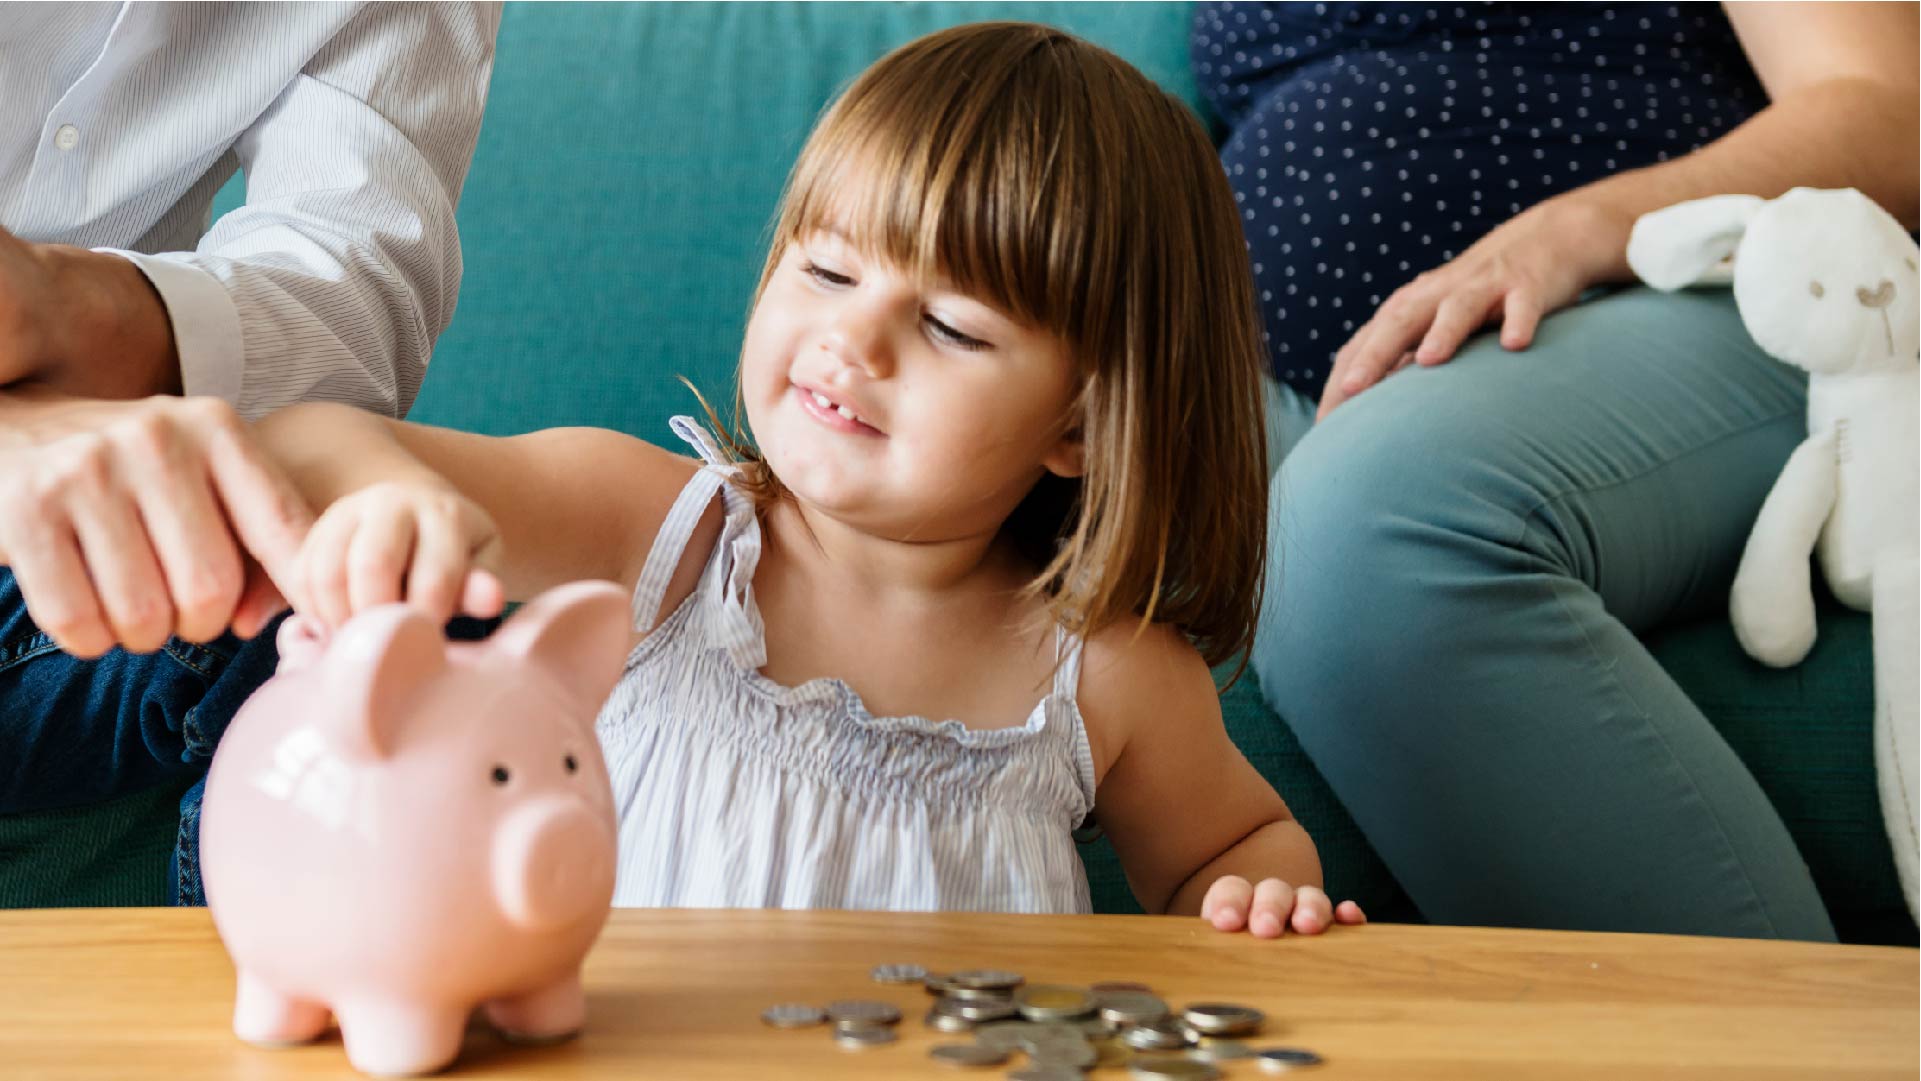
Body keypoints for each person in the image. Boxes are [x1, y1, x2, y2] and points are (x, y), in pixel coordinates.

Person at [249, 22, 1367, 933]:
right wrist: (392, 502)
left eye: (949, 327)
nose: (853, 339)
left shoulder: (1106, 672)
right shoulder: (658, 534)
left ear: (1080, 426)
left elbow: (1232, 848)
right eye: (826, 269)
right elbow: (309, 444)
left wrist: (1259, 897)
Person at [1195, 2, 1917, 938]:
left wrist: (1580, 230)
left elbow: (1888, 108)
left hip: (1692, 292)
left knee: (1366, 531)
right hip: (1288, 378)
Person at [0, 4, 501, 901]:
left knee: (371, 613)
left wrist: (80, 309)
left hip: (98, 481)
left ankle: (298, 991)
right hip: (66, 468)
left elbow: (352, 282)